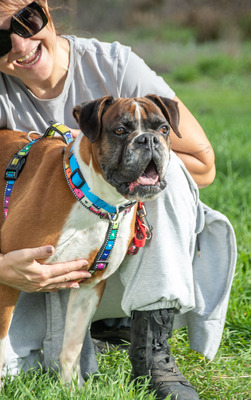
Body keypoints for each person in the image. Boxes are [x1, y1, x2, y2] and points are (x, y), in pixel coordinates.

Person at [0, 1, 236, 399]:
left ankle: (152, 350)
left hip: (134, 255)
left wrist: (134, 164)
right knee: (20, 363)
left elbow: (203, 165)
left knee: (168, 172)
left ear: (46, 10)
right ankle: (94, 335)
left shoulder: (111, 63)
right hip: (29, 266)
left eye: (28, 21)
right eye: (2, 37)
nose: (21, 43)